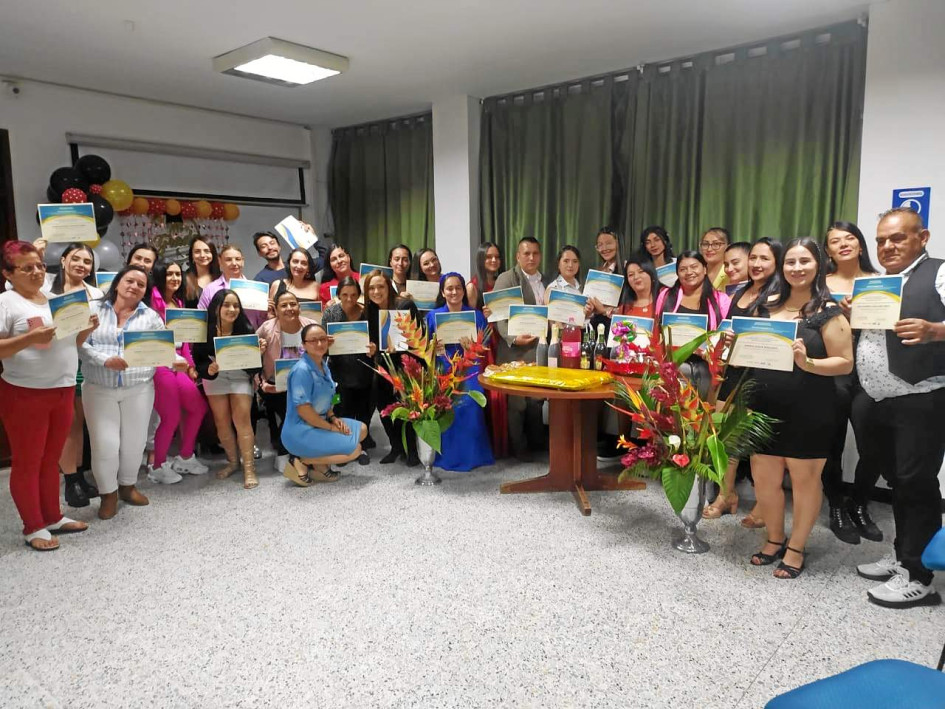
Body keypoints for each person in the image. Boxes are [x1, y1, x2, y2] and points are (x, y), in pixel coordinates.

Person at [851, 208, 945, 608]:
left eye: (897, 238)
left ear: (922, 238)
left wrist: (936, 331)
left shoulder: (939, 273)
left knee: (915, 484)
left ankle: (919, 577)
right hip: (877, 399)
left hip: (921, 398)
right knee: (897, 482)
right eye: (881, 240)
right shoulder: (877, 284)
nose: (887, 246)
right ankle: (903, 555)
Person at [747, 238, 853, 579]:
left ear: (818, 265)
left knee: (805, 481)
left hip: (810, 409)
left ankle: (796, 547)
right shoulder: (766, 305)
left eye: (804, 261)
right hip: (763, 408)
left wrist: (808, 363)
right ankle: (774, 538)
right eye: (790, 262)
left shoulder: (828, 311)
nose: (796, 268)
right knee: (764, 479)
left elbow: (845, 362)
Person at [0, 241, 97, 550]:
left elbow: (72, 343)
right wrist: (29, 338)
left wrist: (87, 329)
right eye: (27, 268)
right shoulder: (6, 303)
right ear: (8, 273)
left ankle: (52, 516)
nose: (37, 272)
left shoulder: (57, 301)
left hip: (63, 389)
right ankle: (33, 526)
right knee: (28, 461)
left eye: (40, 266)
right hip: (24, 394)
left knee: (51, 459)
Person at [703, 237, 782, 526]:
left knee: (758, 443)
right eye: (754, 259)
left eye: (764, 259)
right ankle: (726, 495)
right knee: (727, 437)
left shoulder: (780, 295)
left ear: (776, 262)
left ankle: (763, 503)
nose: (757, 264)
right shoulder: (741, 291)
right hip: (733, 371)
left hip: (762, 375)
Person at [80, 265, 166, 519]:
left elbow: (161, 347)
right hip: (99, 387)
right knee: (105, 444)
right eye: (129, 281)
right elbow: (79, 343)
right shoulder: (93, 309)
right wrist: (104, 360)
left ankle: (128, 487)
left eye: (141, 284)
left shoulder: (151, 317)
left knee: (134, 442)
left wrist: (176, 360)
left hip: (138, 387)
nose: (134, 287)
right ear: (117, 283)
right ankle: (108, 494)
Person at [822, 221, 880, 544]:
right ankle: (836, 506)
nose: (843, 244)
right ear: (828, 250)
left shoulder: (879, 281)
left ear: (860, 245)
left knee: (873, 447)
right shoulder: (820, 285)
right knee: (831, 443)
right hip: (833, 373)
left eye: (850, 238)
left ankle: (859, 504)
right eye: (835, 241)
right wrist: (839, 316)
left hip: (873, 373)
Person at [45, 242, 104, 508]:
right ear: (63, 260)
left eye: (87, 261)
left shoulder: (96, 294)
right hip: (57, 362)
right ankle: (70, 482)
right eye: (76, 258)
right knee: (67, 424)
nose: (81, 265)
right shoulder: (47, 289)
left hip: (85, 362)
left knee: (79, 422)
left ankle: (78, 475)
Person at [192, 290, 263, 489]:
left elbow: (255, 367)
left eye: (236, 306)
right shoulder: (204, 331)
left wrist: (257, 354)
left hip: (240, 376)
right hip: (216, 377)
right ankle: (232, 462)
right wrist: (208, 369)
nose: (232, 309)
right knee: (221, 422)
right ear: (216, 307)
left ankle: (249, 468)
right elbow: (198, 360)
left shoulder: (246, 329)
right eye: (227, 305)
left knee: (242, 420)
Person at [281, 323, 368, 486]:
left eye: (322, 339)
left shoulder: (324, 366)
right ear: (304, 345)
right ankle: (301, 460)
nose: (319, 344)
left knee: (362, 429)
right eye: (313, 340)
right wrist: (330, 428)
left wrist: (333, 418)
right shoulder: (301, 371)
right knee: (355, 449)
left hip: (321, 422)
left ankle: (319, 467)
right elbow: (304, 411)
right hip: (301, 430)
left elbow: (329, 398)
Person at [424, 273, 494, 471]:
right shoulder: (432, 316)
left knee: (470, 402)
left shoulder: (476, 315)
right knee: (446, 402)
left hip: (469, 367)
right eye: (449, 288)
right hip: (442, 366)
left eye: (458, 288)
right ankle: (447, 456)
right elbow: (423, 349)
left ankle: (473, 455)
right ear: (442, 292)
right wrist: (433, 348)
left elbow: (485, 346)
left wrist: (473, 347)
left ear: (464, 291)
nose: (454, 292)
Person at [147, 261, 209, 484]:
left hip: (179, 364)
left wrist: (190, 366)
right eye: (169, 274)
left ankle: (185, 457)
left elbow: (184, 342)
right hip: (159, 364)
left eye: (177, 274)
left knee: (198, 408)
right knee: (171, 416)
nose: (174, 278)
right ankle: (157, 466)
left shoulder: (178, 302)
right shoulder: (150, 302)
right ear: (159, 276)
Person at [491, 237, 546, 460]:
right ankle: (519, 448)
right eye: (526, 253)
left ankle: (536, 444)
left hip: (538, 347)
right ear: (517, 256)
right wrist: (513, 338)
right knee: (517, 403)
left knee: (536, 400)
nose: (531, 257)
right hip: (514, 349)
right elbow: (498, 315)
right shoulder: (507, 279)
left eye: (535, 253)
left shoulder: (545, 280)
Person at [363, 269, 421, 466]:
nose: (376, 291)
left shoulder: (404, 305)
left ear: (389, 287)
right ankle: (396, 447)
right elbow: (373, 341)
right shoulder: (370, 311)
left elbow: (419, 337)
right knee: (383, 406)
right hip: (384, 365)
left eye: (380, 286)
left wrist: (402, 345)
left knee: (407, 408)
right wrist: (372, 349)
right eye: (371, 288)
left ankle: (412, 450)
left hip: (406, 363)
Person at [256, 290, 317, 474]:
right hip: (275, 386)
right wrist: (262, 383)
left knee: (304, 411)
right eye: (284, 305)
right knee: (293, 413)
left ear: (299, 306)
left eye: (293, 304)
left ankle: (301, 452)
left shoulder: (311, 326)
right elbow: (252, 359)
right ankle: (284, 452)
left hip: (307, 386)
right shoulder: (266, 329)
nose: (289, 308)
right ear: (276, 309)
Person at [322, 276, 375, 463]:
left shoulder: (367, 313)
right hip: (338, 372)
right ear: (338, 295)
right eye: (345, 295)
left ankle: (362, 445)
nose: (349, 299)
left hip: (364, 370)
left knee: (363, 409)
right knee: (341, 409)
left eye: (353, 294)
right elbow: (321, 345)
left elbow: (376, 340)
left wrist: (374, 348)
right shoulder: (330, 313)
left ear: (359, 295)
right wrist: (326, 343)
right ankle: (344, 446)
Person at [197, 244, 265, 328]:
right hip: (219, 335)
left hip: (250, 335)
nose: (234, 263)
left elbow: (262, 323)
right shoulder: (210, 289)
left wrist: (266, 310)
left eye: (238, 259)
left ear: (242, 261)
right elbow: (201, 320)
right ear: (220, 261)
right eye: (228, 260)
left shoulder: (255, 290)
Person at [183, 237, 220, 309]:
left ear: (213, 254)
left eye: (207, 251)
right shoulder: (183, 279)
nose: (202, 255)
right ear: (192, 256)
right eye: (197, 251)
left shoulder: (222, 278)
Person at [467, 241, 503, 308]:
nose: (494, 260)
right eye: (489, 257)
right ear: (481, 259)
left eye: (497, 257)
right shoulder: (472, 287)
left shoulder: (503, 281)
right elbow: (471, 314)